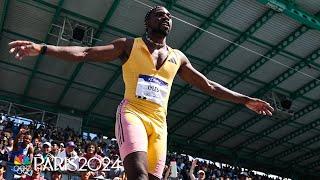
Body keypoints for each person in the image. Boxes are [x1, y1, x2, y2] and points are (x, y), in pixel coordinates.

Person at [8, 5, 274, 180]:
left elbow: (209, 86)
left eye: (169, 16)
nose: (166, 18)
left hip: (159, 126)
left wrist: (246, 100)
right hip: (132, 113)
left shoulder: (178, 58)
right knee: (138, 174)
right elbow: (85, 53)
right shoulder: (128, 45)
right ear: (147, 21)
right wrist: (43, 48)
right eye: (160, 14)